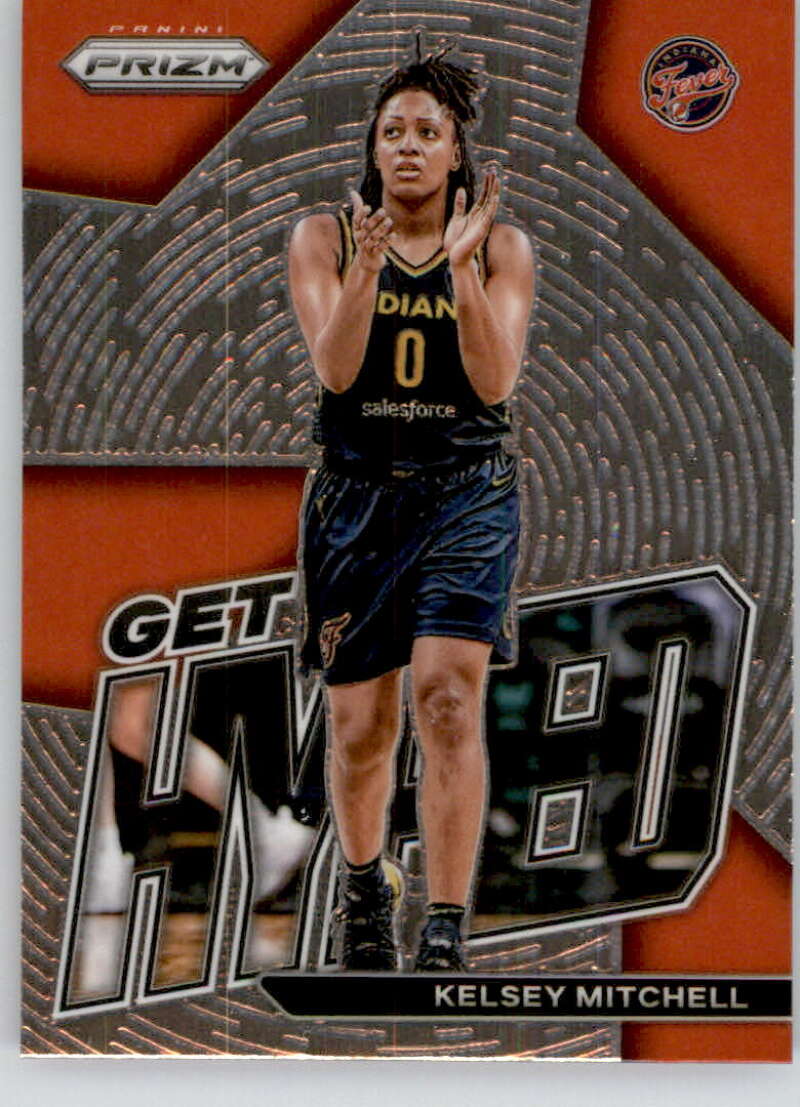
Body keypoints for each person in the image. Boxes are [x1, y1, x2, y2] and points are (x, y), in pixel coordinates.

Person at [288, 43, 534, 971]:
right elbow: (336, 370)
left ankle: (445, 924)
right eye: (392, 130)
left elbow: (495, 381)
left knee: (448, 697)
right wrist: (367, 272)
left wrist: (461, 270)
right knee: (361, 730)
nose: (408, 146)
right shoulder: (324, 239)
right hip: (357, 498)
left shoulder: (502, 248)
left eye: (428, 132)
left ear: (456, 152)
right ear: (372, 147)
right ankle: (364, 890)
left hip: (466, 493)